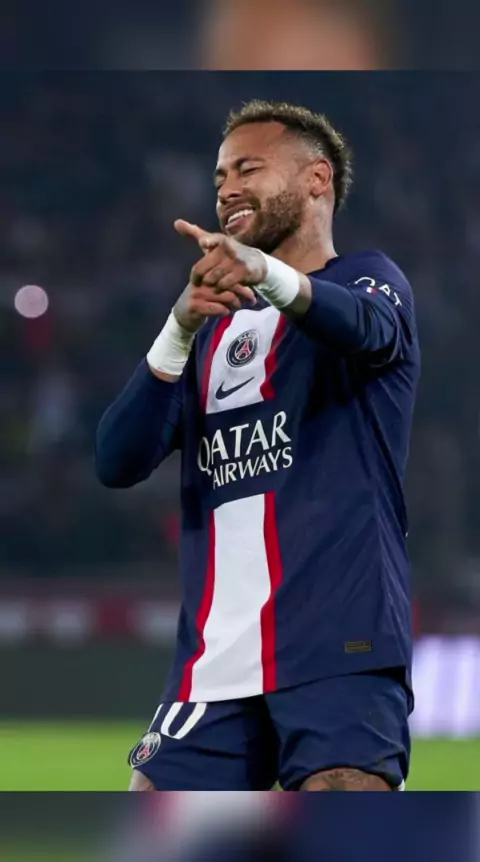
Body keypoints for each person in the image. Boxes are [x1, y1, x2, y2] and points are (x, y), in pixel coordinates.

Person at [95, 100, 420, 790]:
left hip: (339, 639)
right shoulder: (213, 329)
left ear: (317, 179)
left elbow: (367, 328)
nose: (226, 189)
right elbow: (117, 461)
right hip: (214, 658)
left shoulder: (367, 280)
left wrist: (264, 274)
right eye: (220, 177)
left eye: (248, 169)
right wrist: (179, 328)